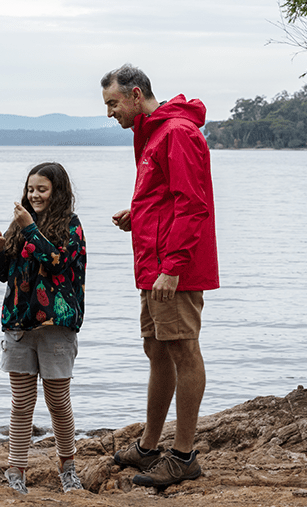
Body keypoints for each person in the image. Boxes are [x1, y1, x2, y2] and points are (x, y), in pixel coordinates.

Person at [101, 64, 219, 488]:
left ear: (135, 95)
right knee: (156, 348)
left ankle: (184, 456)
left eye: (113, 103)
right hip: (152, 265)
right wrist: (139, 214)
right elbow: (166, 195)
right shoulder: (152, 132)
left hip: (174, 269)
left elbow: (193, 204)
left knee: (184, 350)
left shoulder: (178, 133)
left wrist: (172, 268)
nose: (110, 113)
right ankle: (150, 446)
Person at [0, 162, 87, 495]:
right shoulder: (20, 225)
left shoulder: (71, 226)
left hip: (57, 326)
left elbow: (57, 262)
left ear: (57, 191)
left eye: (41, 189)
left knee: (58, 401)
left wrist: (29, 228)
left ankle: (68, 467)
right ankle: (16, 470)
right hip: (18, 324)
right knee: (21, 403)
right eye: (31, 189)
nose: (34, 195)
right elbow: (3, 273)